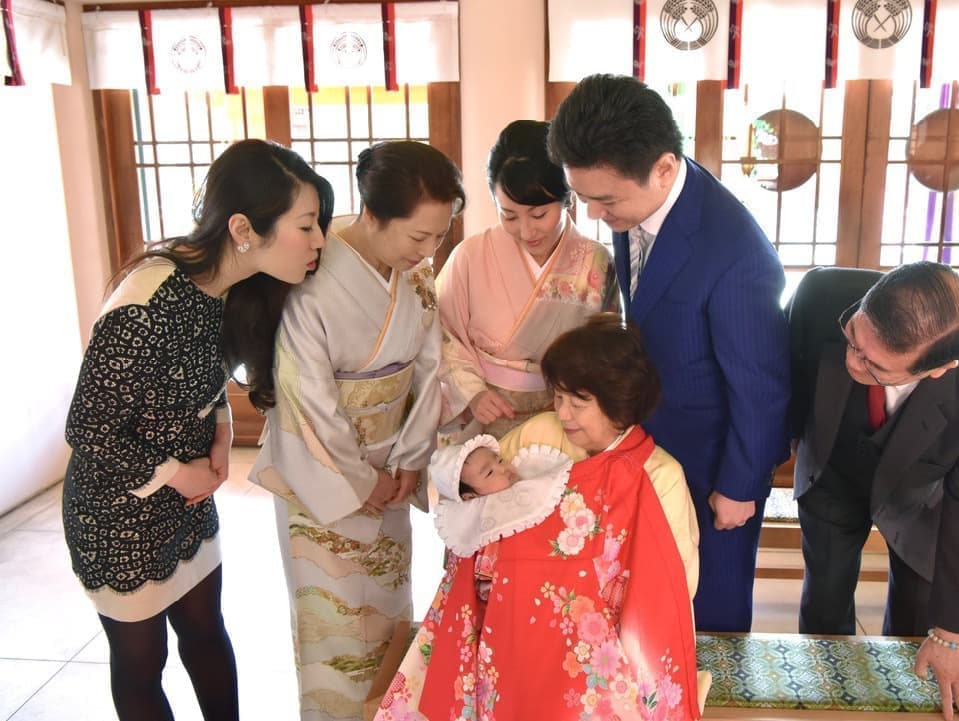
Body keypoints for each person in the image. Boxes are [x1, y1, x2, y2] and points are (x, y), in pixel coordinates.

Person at [62, 139, 333, 721]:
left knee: (206, 631)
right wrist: (176, 472)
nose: (318, 242)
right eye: (306, 226)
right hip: (118, 511)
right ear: (243, 226)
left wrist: (220, 427)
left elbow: (201, 378)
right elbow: (88, 429)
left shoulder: (232, 287)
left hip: (185, 498)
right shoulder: (145, 304)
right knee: (142, 660)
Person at [548, 74, 791, 632]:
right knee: (650, 602)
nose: (595, 215)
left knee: (709, 612)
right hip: (656, 446)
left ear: (661, 168)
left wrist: (738, 486)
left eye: (605, 200)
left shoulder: (736, 254)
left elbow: (763, 386)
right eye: (584, 198)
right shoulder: (642, 203)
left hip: (713, 467)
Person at [375, 314, 703, 720]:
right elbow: (480, 502)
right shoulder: (540, 434)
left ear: (620, 399)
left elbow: (675, 581)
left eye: (579, 403)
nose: (564, 414)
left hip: (602, 640)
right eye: (559, 397)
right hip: (515, 620)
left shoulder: (660, 474)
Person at [249, 141, 465, 720]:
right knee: (334, 626)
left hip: (392, 470)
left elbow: (427, 368)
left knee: (390, 611)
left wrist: (411, 461)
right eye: (418, 237)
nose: (429, 251)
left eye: (440, 236)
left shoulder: (412, 275)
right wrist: (356, 477)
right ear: (371, 215)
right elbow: (306, 397)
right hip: (327, 477)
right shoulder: (312, 279)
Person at [786, 262, 959, 721]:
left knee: (921, 620)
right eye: (854, 341)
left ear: (939, 368)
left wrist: (952, 632)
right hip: (833, 464)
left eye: (875, 367)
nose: (853, 361)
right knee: (826, 593)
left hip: (921, 489)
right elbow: (792, 373)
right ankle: (825, 699)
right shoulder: (822, 295)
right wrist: (796, 439)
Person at [438, 119, 618, 440]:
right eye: (508, 215)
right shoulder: (470, 256)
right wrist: (472, 393)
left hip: (567, 419)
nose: (526, 231)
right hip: (487, 417)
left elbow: (608, 347)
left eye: (538, 215)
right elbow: (441, 333)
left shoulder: (596, 262)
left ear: (567, 198)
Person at [428, 433, 574, 560]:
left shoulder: (529, 475)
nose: (502, 468)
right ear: (470, 497)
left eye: (499, 460)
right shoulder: (477, 519)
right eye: (489, 473)